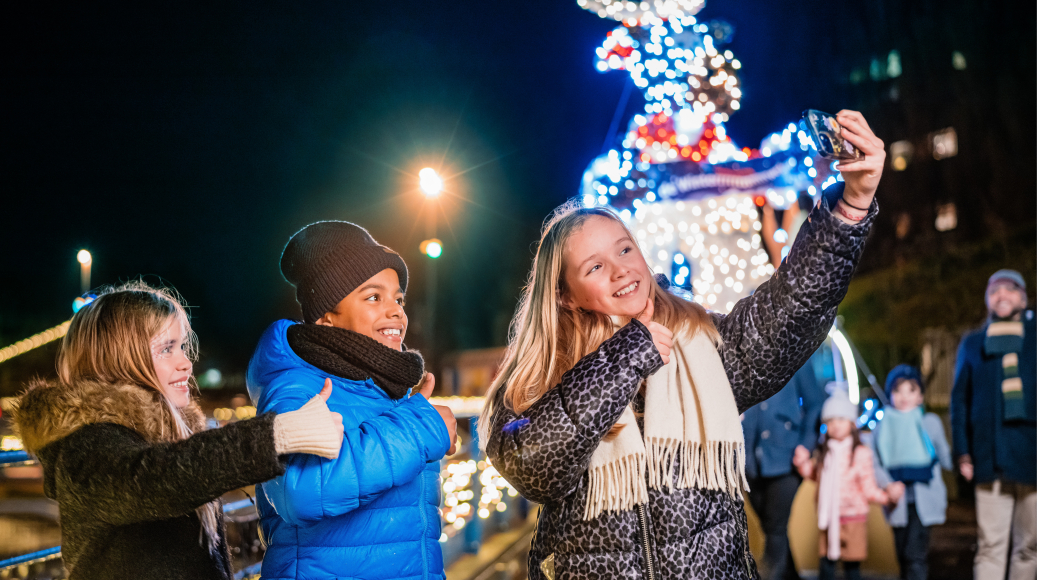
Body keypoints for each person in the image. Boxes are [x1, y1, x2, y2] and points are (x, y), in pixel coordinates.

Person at [479, 111, 885, 579]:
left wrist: (851, 206)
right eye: (594, 267)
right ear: (565, 295)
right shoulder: (540, 372)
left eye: (625, 249)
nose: (620, 270)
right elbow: (533, 466)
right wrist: (627, 354)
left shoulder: (700, 342)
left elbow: (791, 308)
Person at [11, 282, 344, 580]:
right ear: (119, 359)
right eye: (167, 348)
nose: (186, 363)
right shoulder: (84, 445)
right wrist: (279, 434)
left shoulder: (169, 434)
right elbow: (154, 479)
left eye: (182, 346)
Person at [248, 221, 458, 580]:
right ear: (326, 316)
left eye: (398, 298)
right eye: (374, 297)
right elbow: (300, 490)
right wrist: (421, 427)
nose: (395, 311)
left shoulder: (386, 391)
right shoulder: (295, 386)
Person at [950, 269, 1036, 580]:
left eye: (1009, 289)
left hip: (1032, 456)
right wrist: (963, 452)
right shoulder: (973, 343)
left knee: (1030, 546)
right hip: (990, 458)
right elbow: (959, 401)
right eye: (994, 291)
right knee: (990, 547)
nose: (1001, 295)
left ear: (1023, 297)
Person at [795, 389, 901, 580]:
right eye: (831, 420)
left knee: (852, 568)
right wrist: (802, 465)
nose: (836, 425)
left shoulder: (861, 453)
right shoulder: (825, 453)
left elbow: (868, 487)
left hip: (854, 519)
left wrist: (887, 498)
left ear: (852, 423)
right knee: (826, 567)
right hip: (828, 519)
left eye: (841, 419)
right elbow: (815, 476)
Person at [742, 352, 827, 580]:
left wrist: (806, 445)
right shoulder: (742, 352)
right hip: (749, 461)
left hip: (786, 459)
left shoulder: (797, 354)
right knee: (772, 526)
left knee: (775, 529)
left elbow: (815, 403)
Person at [870, 364, 952, 580]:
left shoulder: (930, 423)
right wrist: (888, 484)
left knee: (915, 556)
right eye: (898, 390)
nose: (904, 396)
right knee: (902, 556)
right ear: (890, 394)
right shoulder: (882, 427)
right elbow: (875, 462)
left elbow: (945, 456)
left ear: (921, 396)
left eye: (911, 389)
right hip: (897, 502)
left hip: (924, 498)